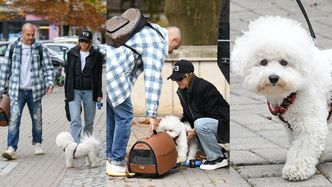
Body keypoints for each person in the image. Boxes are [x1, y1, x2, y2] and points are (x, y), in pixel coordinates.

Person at [105, 25, 181, 176]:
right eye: (173, 48)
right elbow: (153, 79)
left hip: (109, 68)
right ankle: (116, 162)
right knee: (125, 116)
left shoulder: (150, 29)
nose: (170, 52)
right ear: (172, 39)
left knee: (114, 117)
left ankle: (110, 157)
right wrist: (152, 114)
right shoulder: (158, 42)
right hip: (117, 75)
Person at [0, 23, 55, 160]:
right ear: (22, 33)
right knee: (14, 120)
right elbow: (5, 70)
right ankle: (11, 148)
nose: (31, 37)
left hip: (35, 91)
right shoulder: (13, 47)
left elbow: (48, 68)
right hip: (16, 91)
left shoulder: (40, 48)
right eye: (28, 34)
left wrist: (49, 83)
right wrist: (1, 90)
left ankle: (37, 143)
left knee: (37, 119)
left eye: (32, 34)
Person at [167, 59, 229, 170]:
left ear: (188, 75)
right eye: (175, 79)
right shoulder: (181, 92)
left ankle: (218, 158)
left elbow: (215, 115)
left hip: (225, 126)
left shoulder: (204, 87)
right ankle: (219, 151)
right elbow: (187, 115)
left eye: (180, 78)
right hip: (208, 126)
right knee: (188, 128)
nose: (177, 81)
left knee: (199, 125)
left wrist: (195, 130)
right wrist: (181, 128)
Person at [64, 30, 103, 143]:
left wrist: (99, 93)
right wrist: (67, 93)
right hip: (74, 90)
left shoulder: (96, 55)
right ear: (78, 41)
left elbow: (98, 75)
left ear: (90, 42)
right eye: (81, 41)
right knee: (75, 119)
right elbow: (68, 74)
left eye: (86, 42)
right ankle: (75, 145)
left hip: (90, 91)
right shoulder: (71, 53)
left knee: (89, 121)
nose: (83, 44)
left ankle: (86, 144)